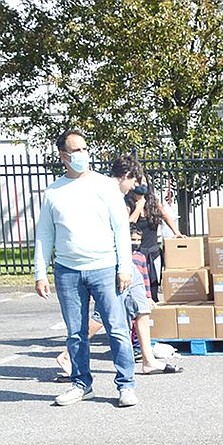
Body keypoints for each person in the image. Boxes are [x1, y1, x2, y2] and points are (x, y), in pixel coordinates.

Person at [33, 132, 139, 407]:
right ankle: (81, 384)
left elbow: (121, 229)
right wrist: (40, 273)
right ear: (63, 156)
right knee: (75, 332)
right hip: (68, 271)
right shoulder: (53, 192)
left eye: (84, 148)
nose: (81, 154)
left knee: (116, 328)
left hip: (105, 267)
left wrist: (124, 268)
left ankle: (126, 385)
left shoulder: (105, 186)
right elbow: (45, 234)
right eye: (75, 150)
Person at [56, 230, 185, 378]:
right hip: (110, 261)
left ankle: (148, 360)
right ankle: (68, 355)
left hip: (127, 260)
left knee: (142, 309)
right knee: (102, 314)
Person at [128, 175, 183, 302]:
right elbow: (128, 223)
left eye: (144, 182)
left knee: (153, 286)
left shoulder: (153, 201)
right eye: (137, 182)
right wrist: (139, 206)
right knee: (138, 288)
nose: (141, 185)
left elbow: (166, 216)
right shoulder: (128, 202)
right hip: (137, 253)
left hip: (153, 252)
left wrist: (176, 232)